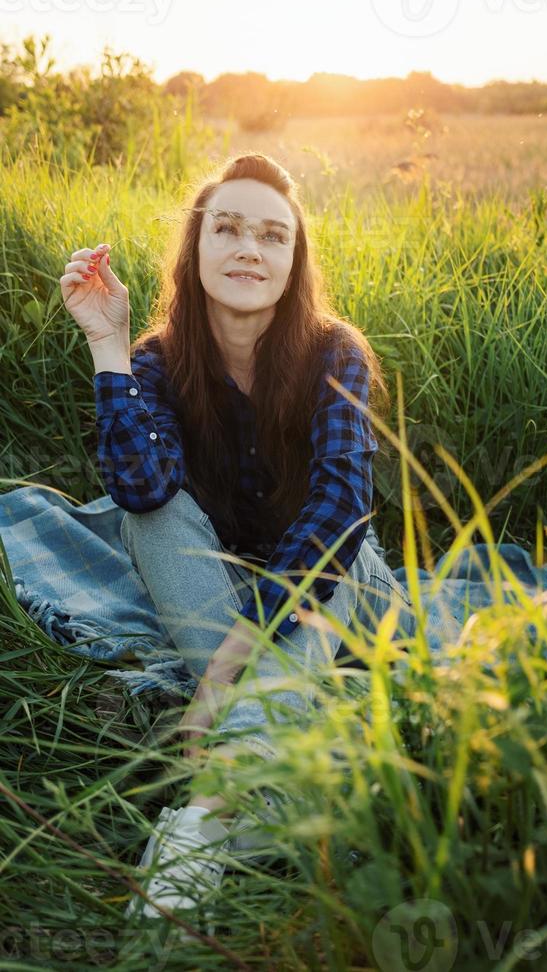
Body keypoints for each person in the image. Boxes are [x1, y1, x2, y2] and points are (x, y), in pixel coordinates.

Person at [60, 152, 416, 922]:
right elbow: (141, 488)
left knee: (330, 567)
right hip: (215, 576)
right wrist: (110, 348)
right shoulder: (157, 358)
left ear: (293, 262)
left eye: (272, 236)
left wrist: (223, 672)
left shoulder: (335, 352)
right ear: (196, 250)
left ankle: (207, 821)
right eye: (226, 229)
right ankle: (280, 802)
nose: (249, 248)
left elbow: (342, 507)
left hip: (337, 582)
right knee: (145, 515)